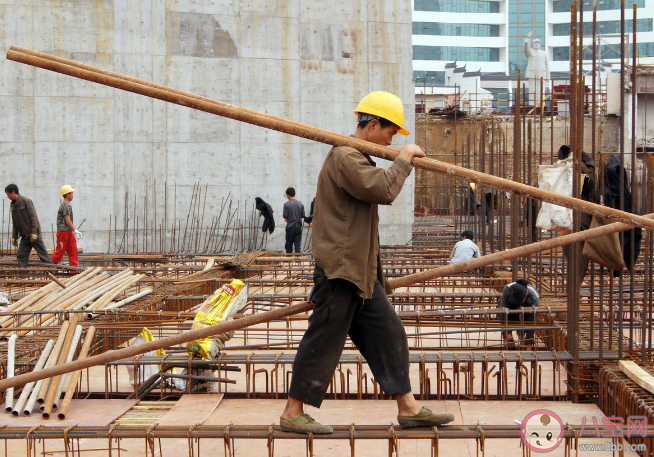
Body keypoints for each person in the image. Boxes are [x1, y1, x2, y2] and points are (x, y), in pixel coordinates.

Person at [280, 91, 454, 434]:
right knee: (324, 338)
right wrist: (403, 159)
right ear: (373, 125)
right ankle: (291, 412)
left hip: (360, 271)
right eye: (390, 132)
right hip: (341, 270)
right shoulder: (346, 157)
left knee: (389, 333)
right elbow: (384, 190)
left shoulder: (358, 156)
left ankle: (408, 407)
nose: (392, 139)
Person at [5, 184, 52, 267]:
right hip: (24, 236)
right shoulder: (13, 205)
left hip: (33, 234)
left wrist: (34, 232)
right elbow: (15, 222)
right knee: (21, 255)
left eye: (8, 194)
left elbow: (33, 217)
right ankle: (22, 273)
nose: (8, 196)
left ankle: (52, 271)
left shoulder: (26, 201)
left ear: (13, 192)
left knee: (43, 255)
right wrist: (14, 237)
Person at [497, 278, 540, 351]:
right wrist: (507, 334)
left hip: (527, 308)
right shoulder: (507, 289)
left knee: (530, 318)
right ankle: (508, 336)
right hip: (510, 306)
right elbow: (502, 310)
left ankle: (522, 334)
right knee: (504, 313)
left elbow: (531, 321)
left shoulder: (534, 298)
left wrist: (529, 347)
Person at [52, 185, 82, 267]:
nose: (72, 195)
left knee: (73, 251)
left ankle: (73, 270)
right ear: (67, 194)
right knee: (59, 253)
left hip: (68, 232)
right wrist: (75, 230)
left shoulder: (67, 205)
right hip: (63, 232)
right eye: (71, 193)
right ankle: (47, 267)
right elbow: (67, 220)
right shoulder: (65, 205)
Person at [524, 30, 550, 107]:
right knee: (532, 91)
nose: (536, 44)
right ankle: (532, 105)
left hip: (541, 74)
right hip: (532, 74)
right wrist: (528, 38)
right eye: (535, 43)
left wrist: (548, 76)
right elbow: (526, 48)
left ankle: (541, 105)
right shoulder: (530, 52)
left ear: (540, 44)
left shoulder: (544, 53)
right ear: (533, 44)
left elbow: (547, 64)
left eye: (538, 43)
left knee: (541, 91)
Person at [282, 187, 305, 254]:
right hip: (298, 226)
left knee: (289, 245)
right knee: (297, 245)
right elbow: (303, 215)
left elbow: (285, 216)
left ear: (288, 195)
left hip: (290, 226)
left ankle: (288, 261)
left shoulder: (286, 204)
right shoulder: (301, 204)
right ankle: (297, 262)